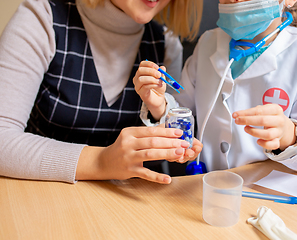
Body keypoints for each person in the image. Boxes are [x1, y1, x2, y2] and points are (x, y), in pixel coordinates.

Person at [0, 0, 203, 184]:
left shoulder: (166, 43)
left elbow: (168, 137)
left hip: (127, 204)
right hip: (44, 195)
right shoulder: (42, 17)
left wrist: (163, 119)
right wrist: (100, 162)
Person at [134, 0, 297, 173]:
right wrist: (159, 106)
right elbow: (180, 110)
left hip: (264, 197)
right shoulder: (208, 42)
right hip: (204, 188)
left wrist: (288, 135)